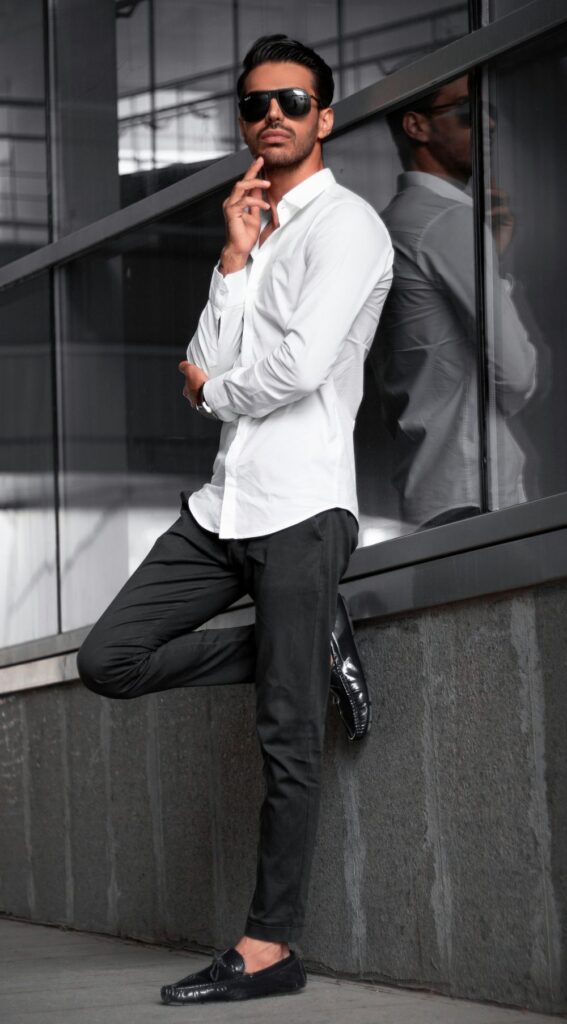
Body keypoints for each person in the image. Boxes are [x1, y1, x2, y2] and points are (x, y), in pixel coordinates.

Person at [77, 33, 394, 1005]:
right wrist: (231, 257)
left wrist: (215, 391)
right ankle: (297, 642)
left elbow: (291, 372)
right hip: (226, 506)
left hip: (303, 508)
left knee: (285, 733)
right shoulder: (257, 234)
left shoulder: (346, 228)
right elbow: (201, 353)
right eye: (256, 103)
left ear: (324, 117)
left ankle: (269, 948)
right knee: (109, 660)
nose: (272, 117)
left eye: (292, 101)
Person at [374, 74, 536, 529]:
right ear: (416, 126)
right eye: (466, 111)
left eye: (490, 111)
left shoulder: (393, 225)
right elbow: (517, 377)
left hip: (431, 489)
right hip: (473, 494)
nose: (486, 124)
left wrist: (487, 259)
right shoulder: (446, 220)